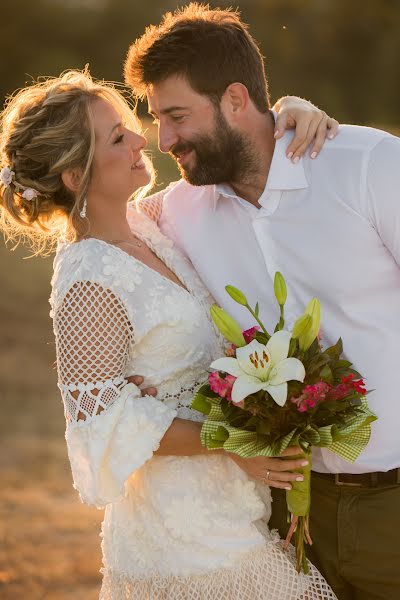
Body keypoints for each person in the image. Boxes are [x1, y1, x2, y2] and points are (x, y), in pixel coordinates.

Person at [0, 70, 338, 598]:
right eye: (117, 138)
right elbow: (99, 423)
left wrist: (288, 112)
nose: (141, 140)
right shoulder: (90, 278)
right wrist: (232, 444)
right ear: (73, 176)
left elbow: (235, 160)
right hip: (177, 534)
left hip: (230, 509)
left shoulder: (148, 223)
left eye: (129, 125)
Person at [125, 4, 400, 600]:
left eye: (176, 116)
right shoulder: (177, 211)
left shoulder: (367, 166)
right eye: (157, 119)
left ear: (234, 99)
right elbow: (98, 224)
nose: (165, 139)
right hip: (280, 521)